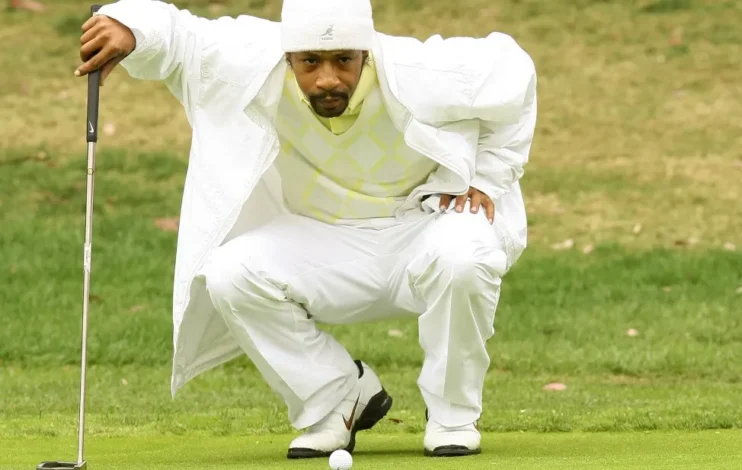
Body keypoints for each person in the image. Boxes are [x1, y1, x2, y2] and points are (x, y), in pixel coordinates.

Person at [76, 0, 537, 459]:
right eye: (310, 62)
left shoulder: (422, 70)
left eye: (344, 60)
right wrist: (129, 24)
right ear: (288, 56)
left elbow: (514, 72)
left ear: (366, 53)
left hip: (425, 229)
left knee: (464, 256)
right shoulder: (252, 60)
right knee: (230, 273)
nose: (328, 79)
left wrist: (487, 178)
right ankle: (337, 398)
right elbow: (181, 36)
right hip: (325, 238)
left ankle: (453, 417)